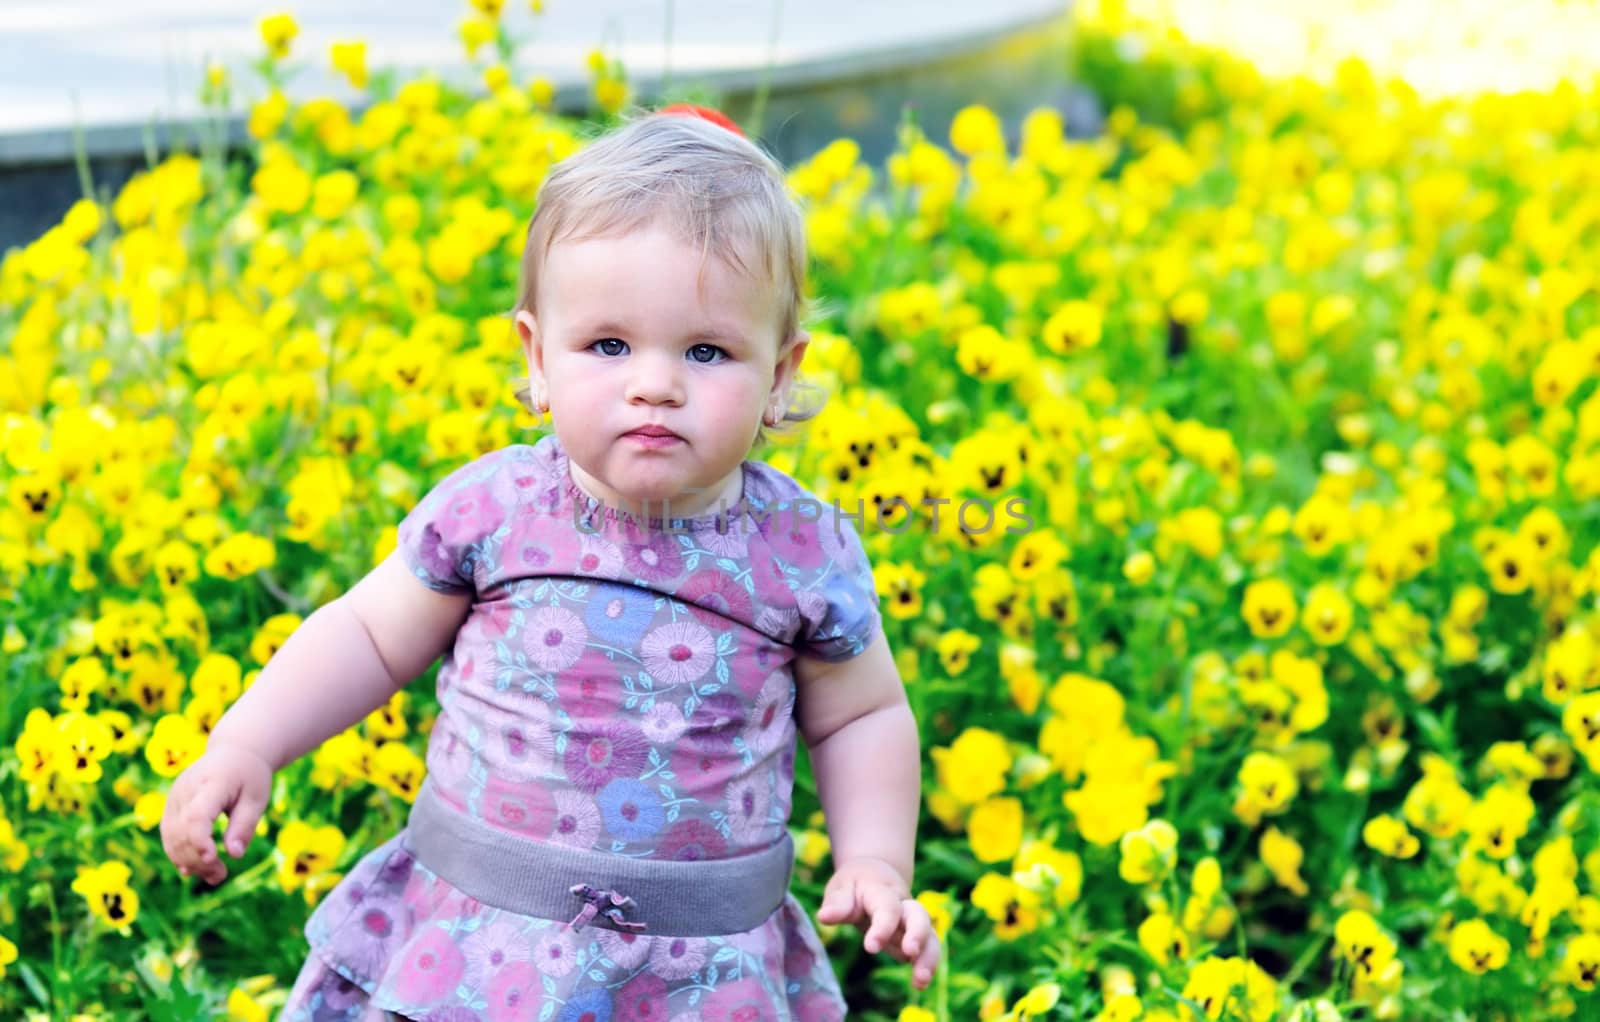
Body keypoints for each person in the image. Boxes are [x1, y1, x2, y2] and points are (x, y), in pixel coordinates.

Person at [160, 108, 941, 1022]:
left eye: (707, 350)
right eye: (609, 345)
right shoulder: (494, 510)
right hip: (473, 951)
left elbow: (862, 717)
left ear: (779, 372)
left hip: (699, 974)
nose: (656, 382)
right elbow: (368, 637)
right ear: (536, 357)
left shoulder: (801, 548)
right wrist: (249, 742)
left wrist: (876, 861)